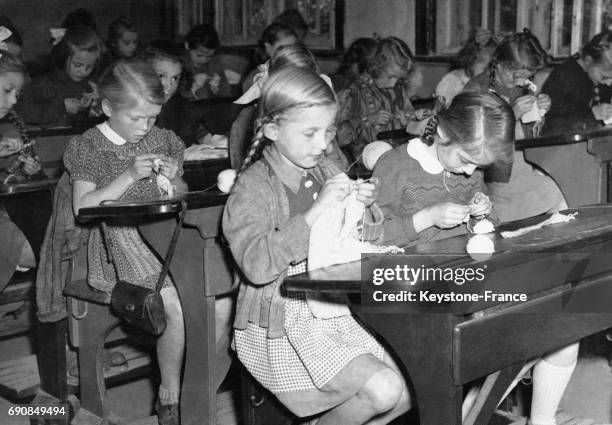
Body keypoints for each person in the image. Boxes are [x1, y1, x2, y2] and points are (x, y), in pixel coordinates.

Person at [374, 90, 580, 425]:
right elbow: (369, 237)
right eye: (466, 161)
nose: (471, 172)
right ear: (441, 133)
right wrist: (425, 218)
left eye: (478, 166)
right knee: (529, 330)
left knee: (566, 321)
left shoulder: (468, 170)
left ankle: (538, 421)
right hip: (412, 293)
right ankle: (474, 410)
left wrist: (483, 214)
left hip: (464, 282)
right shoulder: (395, 165)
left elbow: (485, 231)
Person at [223, 66, 411, 424]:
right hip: (281, 321)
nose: (323, 144)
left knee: (409, 387)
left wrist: (365, 207)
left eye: (328, 131)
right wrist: (317, 211)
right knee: (384, 389)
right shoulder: (252, 188)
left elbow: (361, 240)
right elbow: (257, 266)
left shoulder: (323, 169)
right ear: (272, 129)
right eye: (310, 133)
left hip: (332, 310)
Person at [63, 59, 186, 425]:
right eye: (137, 118)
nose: (146, 127)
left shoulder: (161, 138)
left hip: (164, 237)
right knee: (175, 303)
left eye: (153, 117)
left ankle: (197, 377)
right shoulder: (89, 146)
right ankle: (171, 393)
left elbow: (180, 192)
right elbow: (83, 206)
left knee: (210, 291)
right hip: (116, 245)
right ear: (107, 108)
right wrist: (129, 175)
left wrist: (174, 178)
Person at [463, 29, 567, 222]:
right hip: (491, 181)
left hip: (522, 170)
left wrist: (539, 111)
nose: (520, 82)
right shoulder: (477, 89)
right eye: (515, 75)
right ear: (499, 63)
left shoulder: (520, 88)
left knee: (562, 192)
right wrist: (512, 114)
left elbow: (529, 136)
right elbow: (474, 142)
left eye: (526, 77)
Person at [336, 36, 415, 161]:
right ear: (377, 66)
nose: (393, 84)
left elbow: (410, 117)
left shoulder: (398, 91)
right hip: (364, 166)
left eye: (398, 79)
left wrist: (409, 119)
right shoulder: (353, 92)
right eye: (390, 77)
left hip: (397, 160)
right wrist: (367, 120)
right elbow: (336, 137)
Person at [0, 51, 40, 292]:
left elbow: (9, 174)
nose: (14, 100)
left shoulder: (9, 125)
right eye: (7, 90)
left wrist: (24, 166)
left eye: (17, 93)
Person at [16, 25, 101, 127]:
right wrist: (61, 106)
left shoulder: (91, 85)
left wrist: (93, 106)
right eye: (78, 65)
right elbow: (22, 112)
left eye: (89, 67)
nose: (83, 72)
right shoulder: (43, 84)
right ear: (64, 57)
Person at [542, 31, 612, 133]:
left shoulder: (596, 73)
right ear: (588, 60)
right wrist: (591, 114)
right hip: (561, 142)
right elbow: (551, 123)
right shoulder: (565, 76)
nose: (609, 83)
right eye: (604, 77)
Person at [144, 41, 206, 146]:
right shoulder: (129, 109)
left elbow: (202, 135)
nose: (169, 85)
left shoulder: (184, 107)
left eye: (175, 78)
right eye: (161, 76)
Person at [435, 28, 498, 105]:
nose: (488, 74)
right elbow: (440, 109)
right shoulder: (452, 81)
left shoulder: (487, 82)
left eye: (492, 70)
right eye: (485, 69)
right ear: (472, 60)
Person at [242, 22, 298, 92]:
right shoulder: (260, 75)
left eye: (295, 47)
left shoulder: (298, 68)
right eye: (284, 48)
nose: (291, 52)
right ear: (268, 48)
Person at [181, 24, 231, 100]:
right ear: (187, 45)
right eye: (199, 55)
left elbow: (227, 96)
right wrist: (191, 89)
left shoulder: (215, 64)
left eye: (209, 56)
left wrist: (218, 89)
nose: (204, 60)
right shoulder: (179, 66)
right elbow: (171, 98)